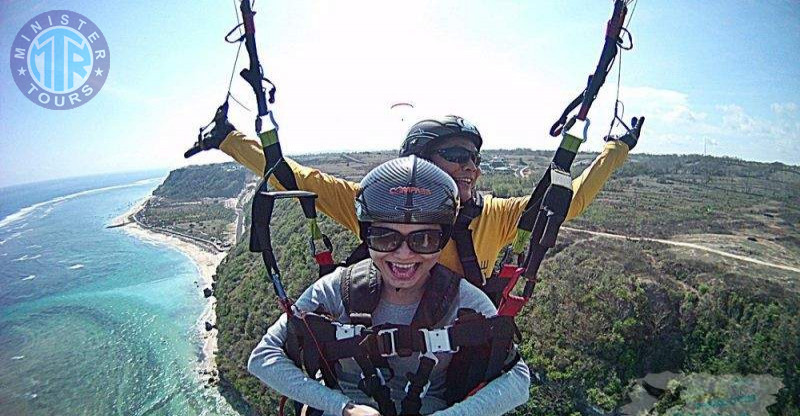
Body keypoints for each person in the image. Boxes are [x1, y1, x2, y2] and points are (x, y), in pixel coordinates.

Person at [248, 156, 530, 416]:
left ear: (443, 239)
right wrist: (344, 408)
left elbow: (518, 382)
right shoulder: (337, 288)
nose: (404, 255)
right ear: (366, 235)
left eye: (423, 240)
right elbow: (263, 358)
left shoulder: (465, 300)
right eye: (385, 238)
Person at [195, 112, 643, 290]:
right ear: (415, 162)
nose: (472, 167)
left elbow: (569, 200)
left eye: (475, 159)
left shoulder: (496, 217)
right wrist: (229, 139)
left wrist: (616, 150)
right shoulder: (377, 204)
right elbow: (297, 176)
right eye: (456, 156)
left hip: (459, 357)